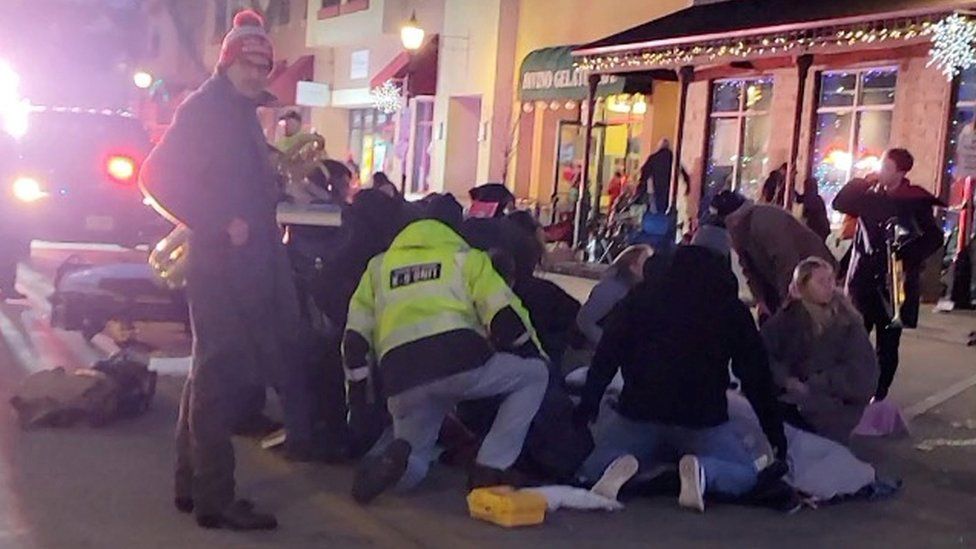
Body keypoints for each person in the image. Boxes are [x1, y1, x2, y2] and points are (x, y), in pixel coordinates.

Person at [140, 10, 307, 530]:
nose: (258, 74)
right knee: (223, 378)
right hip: (223, 266)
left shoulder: (235, 111)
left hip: (242, 263)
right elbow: (156, 176)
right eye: (250, 64)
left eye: (265, 66)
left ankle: (191, 485)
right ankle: (215, 497)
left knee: (208, 374)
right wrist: (217, 223)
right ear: (229, 62)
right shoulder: (209, 109)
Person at [343, 216, 549, 504]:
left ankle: (394, 467)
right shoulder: (466, 259)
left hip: (401, 378)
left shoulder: (378, 267)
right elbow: (504, 319)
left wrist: (357, 401)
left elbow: (354, 342)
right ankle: (491, 467)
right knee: (534, 376)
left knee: (416, 457)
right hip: (459, 364)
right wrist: (530, 352)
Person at [576, 233, 787, 513]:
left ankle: (616, 466)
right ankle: (703, 472)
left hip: (639, 411)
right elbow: (755, 374)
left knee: (590, 467)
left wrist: (588, 404)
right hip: (702, 418)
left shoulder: (640, 298)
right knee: (744, 473)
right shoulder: (729, 307)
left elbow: (608, 354)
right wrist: (774, 432)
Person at [832, 148, 944, 401]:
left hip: (895, 282)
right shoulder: (869, 195)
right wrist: (862, 179)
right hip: (862, 278)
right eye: (882, 165)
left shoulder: (914, 200)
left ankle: (878, 395)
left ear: (901, 172)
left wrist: (905, 256)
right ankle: (851, 389)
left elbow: (933, 237)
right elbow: (840, 203)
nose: (881, 171)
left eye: (887, 167)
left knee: (888, 342)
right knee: (853, 337)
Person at [761, 257, 878, 444]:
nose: (829, 286)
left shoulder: (847, 322)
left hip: (834, 403)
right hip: (792, 398)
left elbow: (862, 373)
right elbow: (764, 354)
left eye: (831, 280)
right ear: (802, 286)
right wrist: (785, 380)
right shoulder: (786, 319)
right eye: (821, 281)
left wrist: (817, 383)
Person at [712, 190, 836, 317]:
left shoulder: (764, 222)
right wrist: (761, 300)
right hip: (793, 282)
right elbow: (748, 268)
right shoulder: (741, 232)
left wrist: (787, 305)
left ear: (732, 219)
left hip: (814, 278)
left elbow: (787, 263)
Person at [576, 245, 652, 348]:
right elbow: (584, 320)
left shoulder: (642, 289)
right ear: (633, 267)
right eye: (647, 261)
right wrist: (610, 344)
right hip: (593, 353)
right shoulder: (611, 288)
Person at [797, 177, 831, 242]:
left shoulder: (810, 199)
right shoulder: (818, 199)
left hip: (817, 229)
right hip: (822, 228)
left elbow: (800, 200)